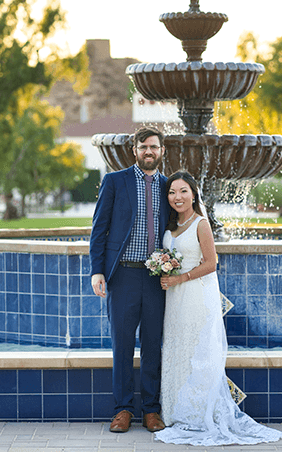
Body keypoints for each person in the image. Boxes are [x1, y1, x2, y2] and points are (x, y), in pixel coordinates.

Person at [155, 171, 282, 446]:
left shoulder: (201, 224)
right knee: (178, 349)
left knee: (197, 351)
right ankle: (176, 411)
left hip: (195, 296)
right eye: (172, 192)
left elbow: (212, 263)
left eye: (183, 191)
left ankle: (199, 413)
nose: (177, 197)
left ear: (193, 194)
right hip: (174, 300)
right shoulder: (169, 225)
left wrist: (180, 277)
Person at [89, 126, 170, 434]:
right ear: (134, 150)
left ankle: (151, 410)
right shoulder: (115, 181)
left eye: (154, 147)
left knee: (152, 345)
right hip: (122, 275)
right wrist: (98, 270)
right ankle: (122, 409)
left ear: (162, 151)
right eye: (143, 147)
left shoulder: (168, 186)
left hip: (155, 279)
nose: (149, 151)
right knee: (121, 345)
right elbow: (99, 229)